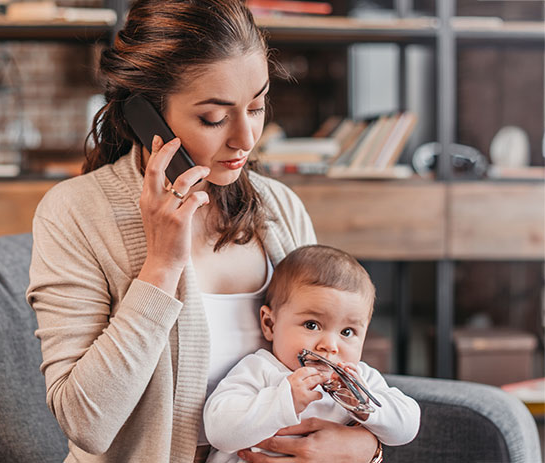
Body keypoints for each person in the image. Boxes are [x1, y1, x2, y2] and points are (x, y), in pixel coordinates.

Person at [26, 1, 381, 462]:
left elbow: (336, 362)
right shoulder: (76, 213)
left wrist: (365, 447)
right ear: (145, 116)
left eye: (256, 106)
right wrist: (161, 266)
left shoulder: (279, 209)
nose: (246, 139)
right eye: (214, 118)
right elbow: (87, 423)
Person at [203, 245, 421, 463]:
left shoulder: (362, 380)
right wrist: (284, 401)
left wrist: (365, 406)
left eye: (347, 332)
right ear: (270, 324)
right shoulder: (260, 370)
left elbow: (408, 426)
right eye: (311, 325)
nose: (330, 345)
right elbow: (219, 431)